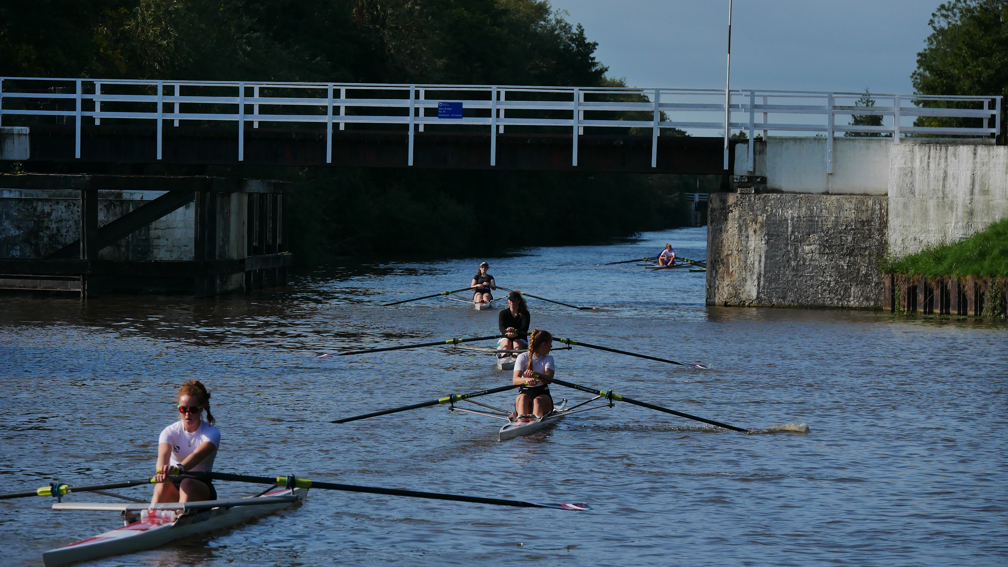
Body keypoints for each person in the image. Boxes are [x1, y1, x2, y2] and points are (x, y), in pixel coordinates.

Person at [152, 380, 221, 505]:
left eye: (193, 410)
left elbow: (197, 456)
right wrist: (161, 472)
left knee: (187, 483)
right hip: (174, 486)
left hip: (200, 488)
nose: (188, 414)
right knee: (161, 485)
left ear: (201, 409)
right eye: (183, 409)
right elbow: (162, 458)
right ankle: (151, 517)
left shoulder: (212, 433)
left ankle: (181, 516)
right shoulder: (169, 432)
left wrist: (179, 468)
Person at [512, 329, 555, 418]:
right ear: (544, 344)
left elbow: (549, 379)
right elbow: (515, 380)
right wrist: (527, 380)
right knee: (523, 399)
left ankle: (534, 422)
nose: (551, 346)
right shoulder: (522, 357)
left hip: (542, 394)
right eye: (550, 343)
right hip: (525, 392)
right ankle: (521, 421)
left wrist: (535, 374)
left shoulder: (549, 358)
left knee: (537, 401)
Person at [498, 290, 530, 355]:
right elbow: (501, 327)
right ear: (508, 301)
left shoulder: (525, 314)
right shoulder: (503, 313)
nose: (512, 303)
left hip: (521, 339)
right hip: (505, 337)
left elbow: (525, 328)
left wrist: (515, 331)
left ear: (519, 301)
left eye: (514, 300)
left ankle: (516, 357)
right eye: (510, 300)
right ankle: (505, 357)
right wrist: (507, 332)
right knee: (507, 342)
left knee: (516, 342)